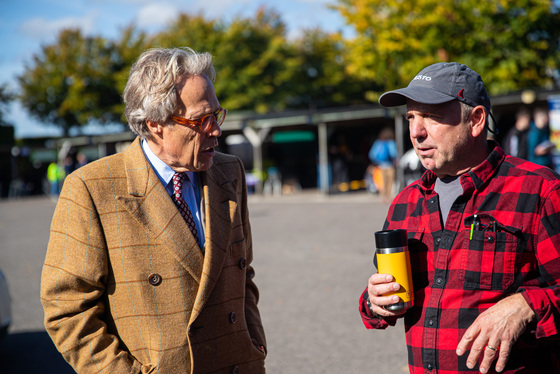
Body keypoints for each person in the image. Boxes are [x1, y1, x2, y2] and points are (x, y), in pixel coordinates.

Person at [41, 47, 267, 374]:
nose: (216, 131)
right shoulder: (92, 188)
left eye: (216, 116)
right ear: (155, 123)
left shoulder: (229, 172)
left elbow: (242, 275)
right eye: (201, 120)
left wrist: (253, 344)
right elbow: (67, 311)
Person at [359, 62, 560, 374]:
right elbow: (383, 301)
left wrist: (526, 305)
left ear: (476, 120)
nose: (416, 132)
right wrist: (374, 302)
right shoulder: (405, 203)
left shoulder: (538, 190)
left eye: (431, 115)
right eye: (411, 116)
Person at [368, 127, 398, 203]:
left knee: (382, 183)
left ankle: (383, 197)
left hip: (380, 166)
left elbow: (371, 154)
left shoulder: (378, 143)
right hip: (390, 165)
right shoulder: (391, 142)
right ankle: (389, 197)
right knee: (390, 182)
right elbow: (394, 153)